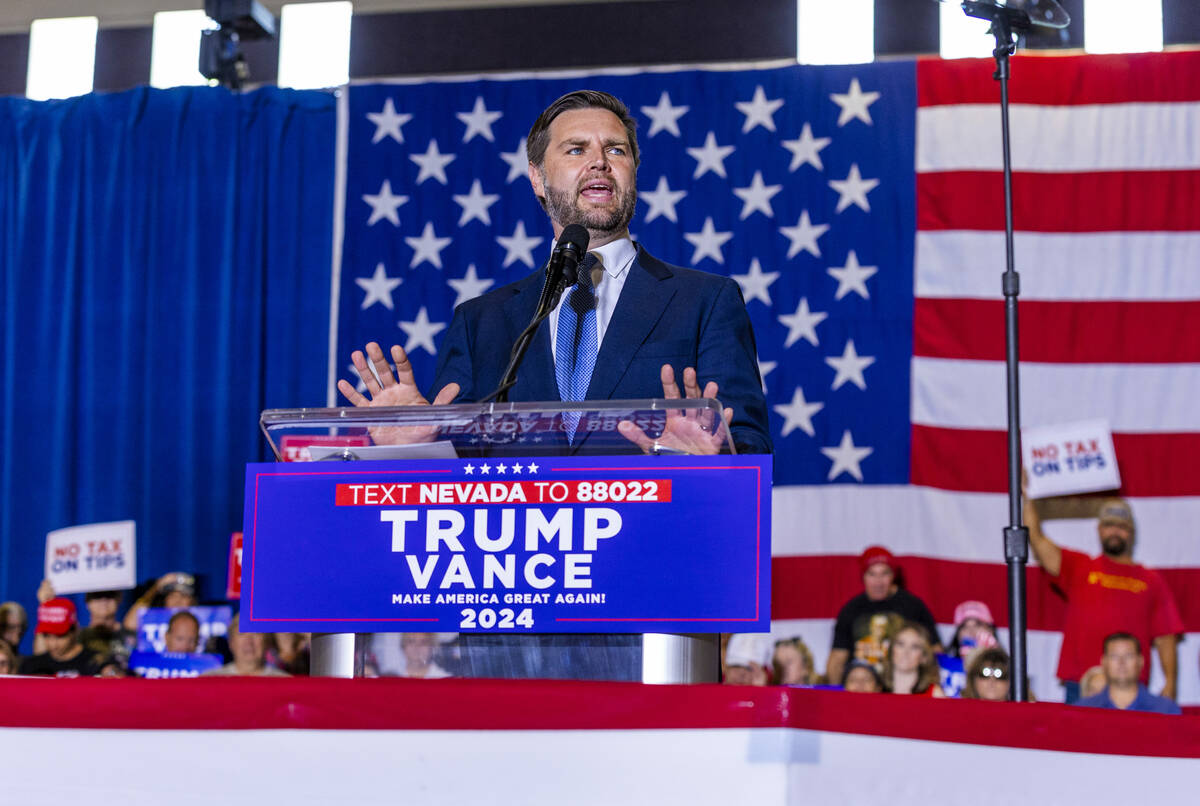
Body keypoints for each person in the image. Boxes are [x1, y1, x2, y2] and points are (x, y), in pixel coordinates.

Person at [337, 89, 771, 456]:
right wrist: (414, 448)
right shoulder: (480, 323)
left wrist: (710, 458)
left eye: (616, 150)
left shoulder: (705, 301)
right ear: (538, 179)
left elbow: (751, 446)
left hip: (653, 541)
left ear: (633, 173)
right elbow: (459, 474)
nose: (600, 162)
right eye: (576, 149)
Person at [1025, 495, 1183, 703]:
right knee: (1077, 736)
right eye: (1109, 525)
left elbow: (1166, 637)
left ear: (1131, 533)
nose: (1115, 531)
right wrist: (1027, 496)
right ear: (1099, 530)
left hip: (1129, 686)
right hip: (1082, 684)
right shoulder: (1080, 567)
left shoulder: (1151, 581)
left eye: (1121, 526)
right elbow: (1037, 540)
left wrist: (1170, 683)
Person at [825, 546, 941, 686]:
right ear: (863, 576)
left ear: (893, 575)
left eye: (884, 573)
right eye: (872, 574)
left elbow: (935, 652)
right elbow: (837, 660)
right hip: (862, 690)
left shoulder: (913, 606)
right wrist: (836, 696)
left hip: (901, 688)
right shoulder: (851, 610)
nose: (878, 582)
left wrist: (930, 688)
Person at [1075, 633, 1181, 715]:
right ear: (1104, 662)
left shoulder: (1165, 710)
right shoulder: (1084, 710)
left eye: (1128, 656)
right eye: (1114, 656)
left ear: (1141, 661)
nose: (1121, 662)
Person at [17, 598, 105, 678]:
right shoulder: (30, 667)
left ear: (75, 630)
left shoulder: (96, 662)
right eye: (46, 635)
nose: (53, 644)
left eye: (60, 636)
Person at [203, 615, 288, 677]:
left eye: (256, 633)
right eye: (242, 634)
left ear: (266, 642)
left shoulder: (285, 682)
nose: (249, 642)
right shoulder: (209, 681)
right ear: (231, 642)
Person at [881, 622, 944, 696]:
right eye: (900, 644)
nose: (906, 652)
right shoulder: (875, 689)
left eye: (914, 647)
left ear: (924, 657)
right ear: (891, 650)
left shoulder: (935, 694)